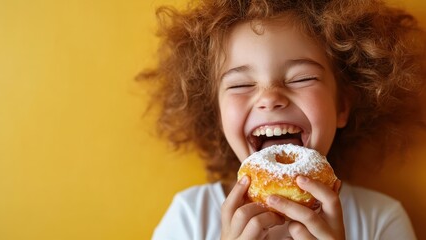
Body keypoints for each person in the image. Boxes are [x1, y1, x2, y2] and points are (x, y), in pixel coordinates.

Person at [139, 0, 426, 239]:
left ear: (341, 106)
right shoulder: (191, 217)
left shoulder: (379, 220)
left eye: (301, 78)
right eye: (240, 85)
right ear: (217, 115)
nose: (270, 97)